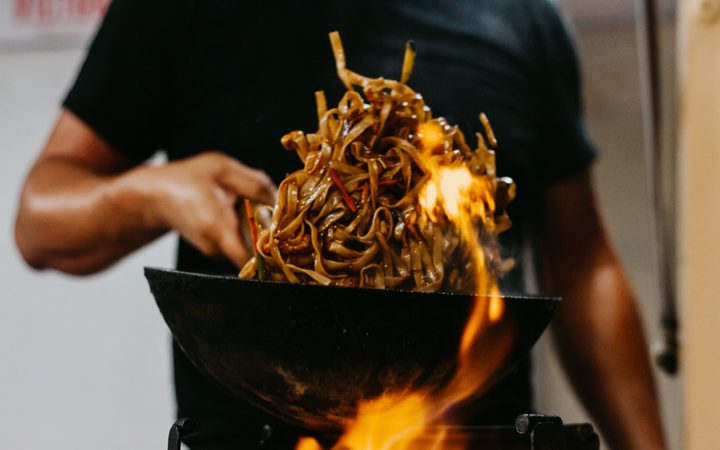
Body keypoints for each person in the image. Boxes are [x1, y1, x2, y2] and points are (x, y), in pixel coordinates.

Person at [14, 1, 667, 449]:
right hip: (252, 437)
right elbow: (40, 218)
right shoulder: (183, 8)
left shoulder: (524, 18)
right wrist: (155, 192)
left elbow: (584, 268)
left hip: (474, 437)